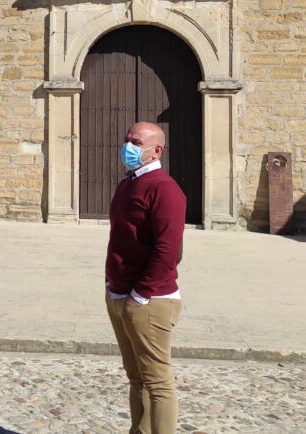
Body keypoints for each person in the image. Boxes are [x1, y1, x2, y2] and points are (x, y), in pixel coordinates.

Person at [105, 121, 186, 434]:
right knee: (136, 377)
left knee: (157, 381)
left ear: (156, 150)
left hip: (149, 300)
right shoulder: (128, 184)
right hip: (119, 294)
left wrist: (141, 295)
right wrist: (112, 285)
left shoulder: (164, 188)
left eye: (137, 142)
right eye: (127, 139)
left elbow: (169, 250)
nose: (129, 147)